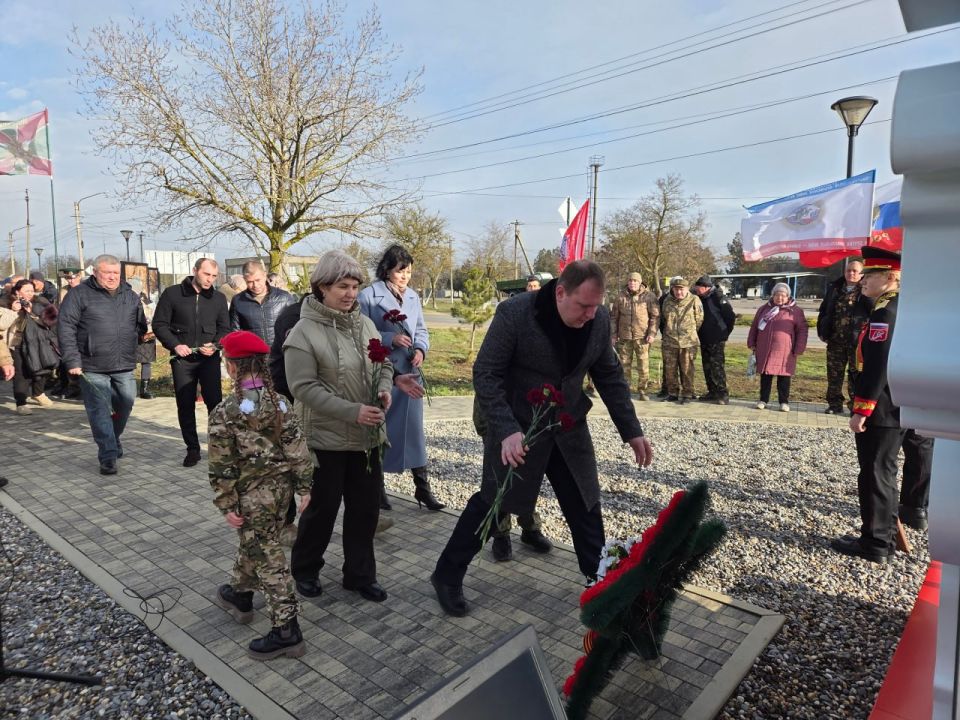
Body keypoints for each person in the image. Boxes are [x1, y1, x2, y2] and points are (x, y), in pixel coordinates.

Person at [430, 261, 653, 617]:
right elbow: (486, 373)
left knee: (585, 505)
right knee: (494, 503)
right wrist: (506, 429)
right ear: (561, 292)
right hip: (520, 428)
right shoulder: (515, 314)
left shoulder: (597, 319)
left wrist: (632, 430)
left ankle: (600, 586)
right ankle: (447, 575)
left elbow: (609, 375)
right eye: (583, 306)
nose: (590, 315)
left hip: (568, 427)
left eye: (596, 306)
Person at [284, 250, 394, 603]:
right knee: (322, 510)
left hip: (366, 437)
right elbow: (303, 387)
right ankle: (305, 569)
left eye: (354, 286)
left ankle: (360, 575)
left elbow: (384, 363)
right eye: (342, 286)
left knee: (365, 511)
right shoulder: (303, 332)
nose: (350, 294)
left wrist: (384, 388)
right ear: (322, 287)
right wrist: (352, 412)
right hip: (324, 439)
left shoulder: (365, 325)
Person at [208, 330, 314, 660]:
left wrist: (226, 502)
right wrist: (304, 487)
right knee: (257, 541)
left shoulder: (226, 411)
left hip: (252, 497)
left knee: (269, 558)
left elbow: (222, 464)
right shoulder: (280, 402)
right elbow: (298, 449)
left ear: (231, 367)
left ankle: (287, 630)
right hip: (281, 494)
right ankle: (239, 595)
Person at [358, 244, 445, 514]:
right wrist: (389, 338)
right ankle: (378, 487)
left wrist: (420, 349)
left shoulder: (414, 297)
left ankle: (423, 488)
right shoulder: (368, 296)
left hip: (411, 373)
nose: (405, 276)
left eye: (408, 271)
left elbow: (421, 330)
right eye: (400, 270)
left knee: (414, 432)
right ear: (387, 270)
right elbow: (361, 334)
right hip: (383, 373)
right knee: (382, 430)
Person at [831, 247, 904, 563]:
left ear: (889, 277)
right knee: (883, 471)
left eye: (870, 275)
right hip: (894, 404)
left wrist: (863, 408)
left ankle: (874, 542)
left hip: (882, 406)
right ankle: (883, 537)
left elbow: (877, 365)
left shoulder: (885, 312)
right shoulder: (896, 305)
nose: (862, 280)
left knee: (875, 474)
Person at [58, 254, 147, 475]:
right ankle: (108, 455)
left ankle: (113, 439)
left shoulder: (130, 295)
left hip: (124, 363)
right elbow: (65, 327)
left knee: (125, 404)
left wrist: (142, 336)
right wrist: (72, 360)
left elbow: (140, 325)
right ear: (95, 272)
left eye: (116, 273)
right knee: (99, 411)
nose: (112, 277)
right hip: (91, 365)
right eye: (107, 272)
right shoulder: (79, 294)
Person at [152, 258, 230, 466]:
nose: (210, 280)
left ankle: (218, 447)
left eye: (214, 276)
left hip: (209, 359)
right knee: (185, 404)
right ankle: (192, 449)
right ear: (195, 271)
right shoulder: (173, 294)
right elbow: (159, 324)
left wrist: (215, 345)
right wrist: (175, 345)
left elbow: (225, 328)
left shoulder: (218, 298)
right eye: (206, 274)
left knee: (215, 404)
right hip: (182, 360)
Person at [747, 283, 808, 412]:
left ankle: (783, 402)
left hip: (786, 350)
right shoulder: (764, 309)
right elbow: (754, 327)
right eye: (777, 295)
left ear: (788, 297)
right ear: (773, 295)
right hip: (764, 348)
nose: (779, 298)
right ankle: (763, 400)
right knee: (766, 375)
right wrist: (751, 342)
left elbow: (802, 331)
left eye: (783, 296)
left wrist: (799, 348)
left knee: (784, 375)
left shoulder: (795, 311)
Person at [817, 259, 865, 414]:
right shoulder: (835, 288)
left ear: (862, 274)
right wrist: (822, 330)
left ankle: (855, 407)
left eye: (855, 271)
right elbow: (824, 310)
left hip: (856, 342)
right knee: (834, 374)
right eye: (848, 270)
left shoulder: (866, 289)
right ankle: (834, 405)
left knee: (855, 375)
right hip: (835, 340)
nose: (851, 273)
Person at [5, 280, 58, 414]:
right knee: (21, 373)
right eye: (26, 291)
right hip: (16, 343)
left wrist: (32, 311)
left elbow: (52, 321)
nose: (30, 294)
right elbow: (3, 325)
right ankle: (21, 402)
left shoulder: (41, 302)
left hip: (39, 343)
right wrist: (13, 311)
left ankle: (38, 393)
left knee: (42, 367)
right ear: (17, 292)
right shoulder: (6, 302)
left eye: (32, 291)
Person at [611, 272, 659, 401]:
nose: (632, 283)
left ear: (640, 282)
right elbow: (614, 317)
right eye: (630, 281)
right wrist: (614, 335)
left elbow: (655, 317)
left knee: (643, 366)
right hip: (625, 337)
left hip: (642, 337)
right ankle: (625, 390)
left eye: (635, 281)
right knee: (624, 365)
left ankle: (643, 390)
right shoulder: (620, 297)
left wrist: (652, 333)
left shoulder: (649, 297)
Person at [690, 275, 736, 405]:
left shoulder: (718, 297)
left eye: (698, 287)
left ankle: (722, 394)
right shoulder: (698, 298)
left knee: (717, 367)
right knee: (707, 367)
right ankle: (712, 392)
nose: (696, 289)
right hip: (704, 338)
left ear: (706, 287)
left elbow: (730, 317)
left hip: (717, 338)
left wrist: (724, 333)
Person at [230, 261, 297, 346]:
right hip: (252, 352)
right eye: (250, 282)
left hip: (281, 352)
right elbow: (235, 333)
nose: (255, 285)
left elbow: (296, 327)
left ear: (265, 275)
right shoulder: (238, 301)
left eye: (258, 280)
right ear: (244, 280)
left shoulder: (284, 298)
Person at [660, 277, 703, 403]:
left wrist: (689, 332)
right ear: (672, 289)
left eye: (681, 289)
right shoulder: (667, 301)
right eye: (676, 289)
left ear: (687, 289)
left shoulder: (694, 300)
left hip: (688, 342)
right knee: (670, 370)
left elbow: (699, 319)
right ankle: (672, 393)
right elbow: (664, 318)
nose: (679, 292)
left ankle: (687, 394)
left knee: (687, 370)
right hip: (670, 341)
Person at [129, 278, 157, 400]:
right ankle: (132, 389)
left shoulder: (148, 302)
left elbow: (154, 317)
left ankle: (143, 390)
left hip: (145, 334)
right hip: (135, 335)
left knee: (145, 362)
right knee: (132, 363)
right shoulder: (129, 300)